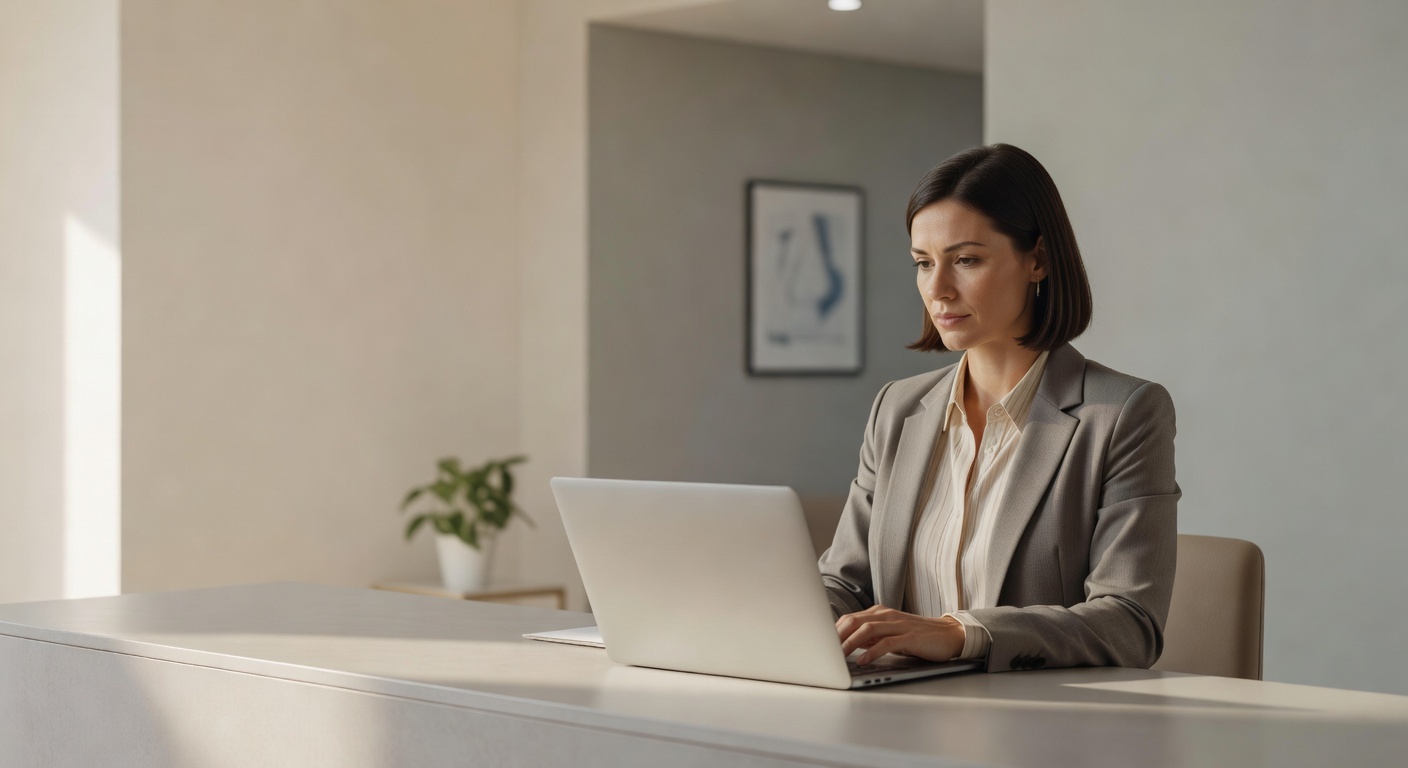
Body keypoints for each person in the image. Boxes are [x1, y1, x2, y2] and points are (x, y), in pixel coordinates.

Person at [819, 144, 1179, 672]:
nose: (937, 289)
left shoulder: (1124, 413)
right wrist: (796, 621)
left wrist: (961, 633)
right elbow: (845, 583)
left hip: (1038, 731)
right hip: (893, 709)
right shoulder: (896, 408)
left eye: (966, 260)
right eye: (923, 263)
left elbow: (1130, 623)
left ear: (1038, 260)